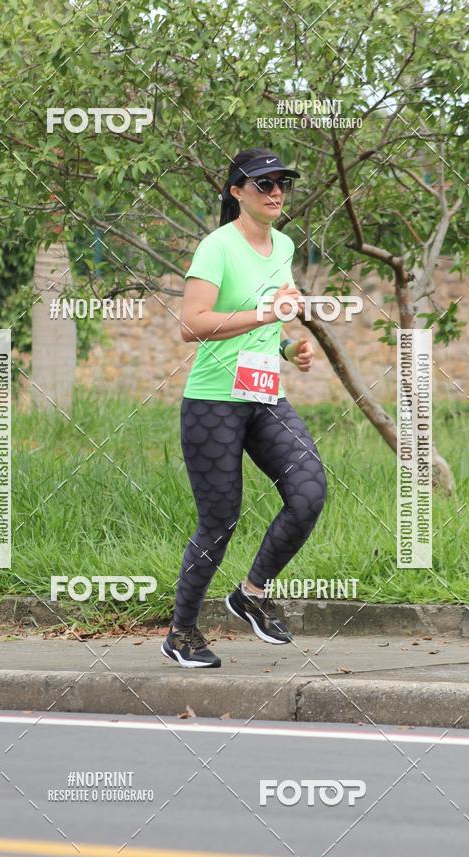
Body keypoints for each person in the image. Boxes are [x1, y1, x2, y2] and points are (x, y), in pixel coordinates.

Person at [161, 148, 327, 669]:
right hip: (213, 401)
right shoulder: (217, 247)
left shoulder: (284, 244)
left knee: (308, 492)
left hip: (264, 394)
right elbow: (191, 325)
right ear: (236, 192)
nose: (276, 192)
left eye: (282, 184)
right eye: (263, 184)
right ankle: (181, 633)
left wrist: (288, 348)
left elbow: (267, 325)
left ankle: (252, 593)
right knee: (220, 520)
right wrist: (265, 313)